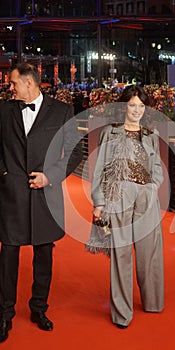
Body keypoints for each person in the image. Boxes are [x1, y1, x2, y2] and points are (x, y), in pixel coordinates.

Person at [0, 62, 82, 342]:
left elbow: (74, 152)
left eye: (13, 83)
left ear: (30, 83)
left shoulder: (62, 111)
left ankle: (39, 308)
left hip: (46, 196)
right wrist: (4, 173)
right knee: (7, 256)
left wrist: (51, 176)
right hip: (10, 195)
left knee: (44, 255)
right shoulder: (3, 110)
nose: (10, 87)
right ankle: (4, 314)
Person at [87, 85, 164, 329]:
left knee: (149, 253)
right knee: (121, 255)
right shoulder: (110, 133)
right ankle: (122, 313)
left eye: (141, 106)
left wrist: (152, 187)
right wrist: (99, 202)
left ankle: (153, 302)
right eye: (132, 105)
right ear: (123, 106)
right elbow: (99, 169)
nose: (137, 110)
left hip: (146, 196)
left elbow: (158, 169)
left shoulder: (150, 133)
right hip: (118, 195)